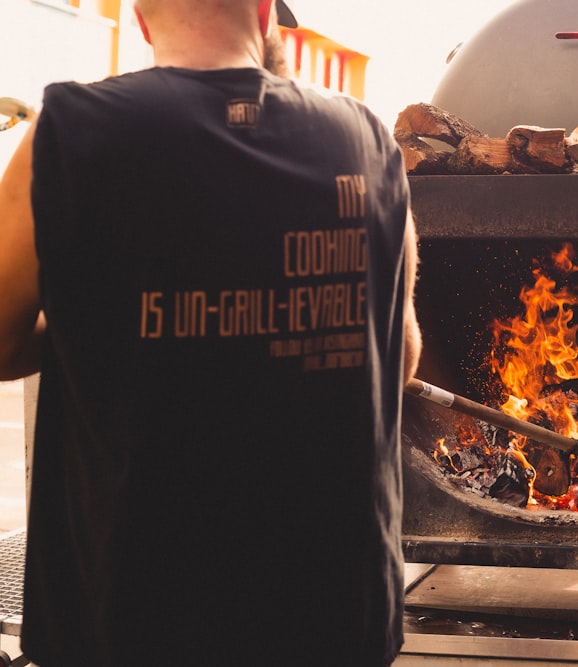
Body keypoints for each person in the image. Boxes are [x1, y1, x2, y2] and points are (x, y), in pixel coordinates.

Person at [0, 0, 422, 664]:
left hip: (131, 613)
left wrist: (103, 315)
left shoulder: (69, 132)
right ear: (262, 14)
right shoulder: (369, 140)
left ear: (141, 18)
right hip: (333, 611)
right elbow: (400, 356)